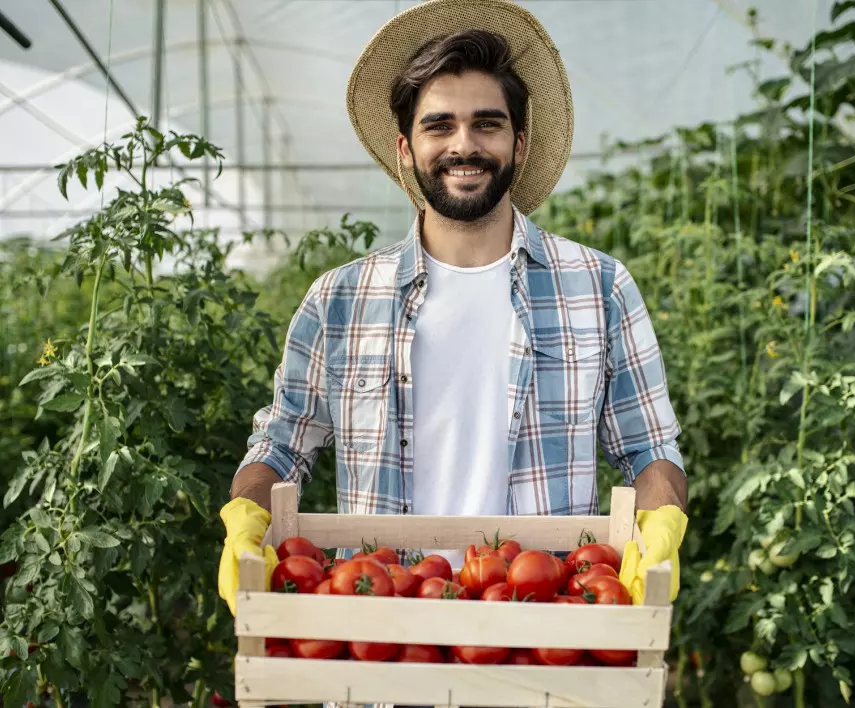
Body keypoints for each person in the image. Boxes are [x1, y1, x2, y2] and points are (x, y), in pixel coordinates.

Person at [218, 0, 688, 618]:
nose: (463, 145)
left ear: (519, 143)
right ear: (405, 148)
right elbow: (280, 448)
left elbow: (649, 449)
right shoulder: (339, 301)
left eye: (487, 124)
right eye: (439, 125)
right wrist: (248, 519)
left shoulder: (597, 287)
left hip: (541, 633)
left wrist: (658, 534)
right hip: (381, 628)